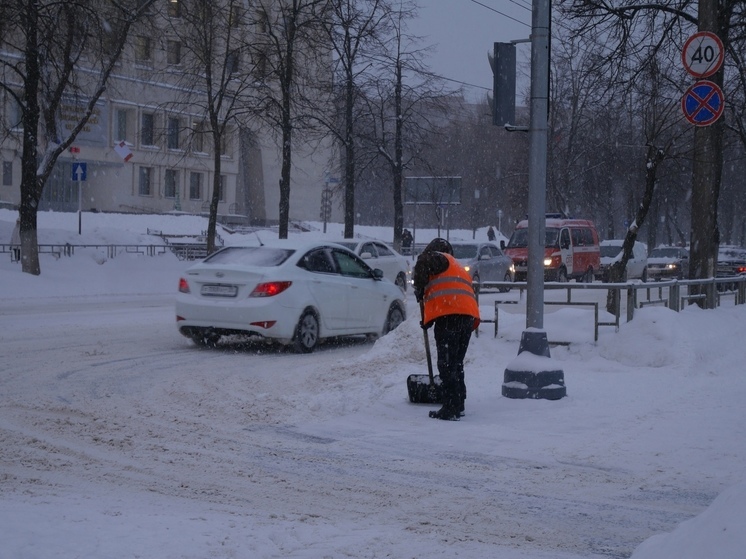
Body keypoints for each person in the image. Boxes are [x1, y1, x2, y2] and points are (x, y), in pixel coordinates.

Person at [413, 238, 480, 421]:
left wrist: (419, 287)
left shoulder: (435, 258)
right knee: (455, 362)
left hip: (452, 316)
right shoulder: (455, 265)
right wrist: (428, 320)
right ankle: (458, 403)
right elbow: (446, 292)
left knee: (446, 363)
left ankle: (450, 407)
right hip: (466, 316)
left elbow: (423, 263)